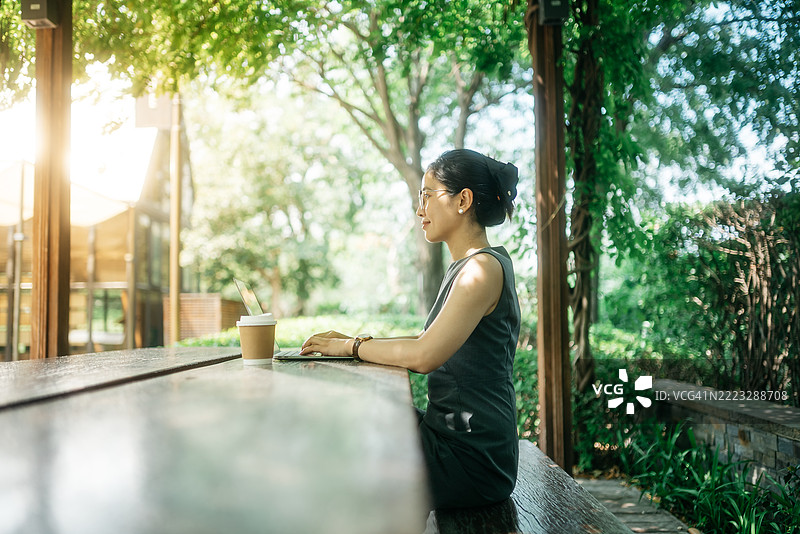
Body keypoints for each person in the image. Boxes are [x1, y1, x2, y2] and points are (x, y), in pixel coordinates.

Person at [301, 148, 521, 509]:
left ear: (463, 200)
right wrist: (352, 340)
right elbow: (424, 341)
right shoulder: (467, 267)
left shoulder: (483, 270)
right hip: (452, 435)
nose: (420, 210)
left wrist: (351, 346)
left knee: (337, 458)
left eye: (427, 196)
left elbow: (424, 355)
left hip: (472, 458)